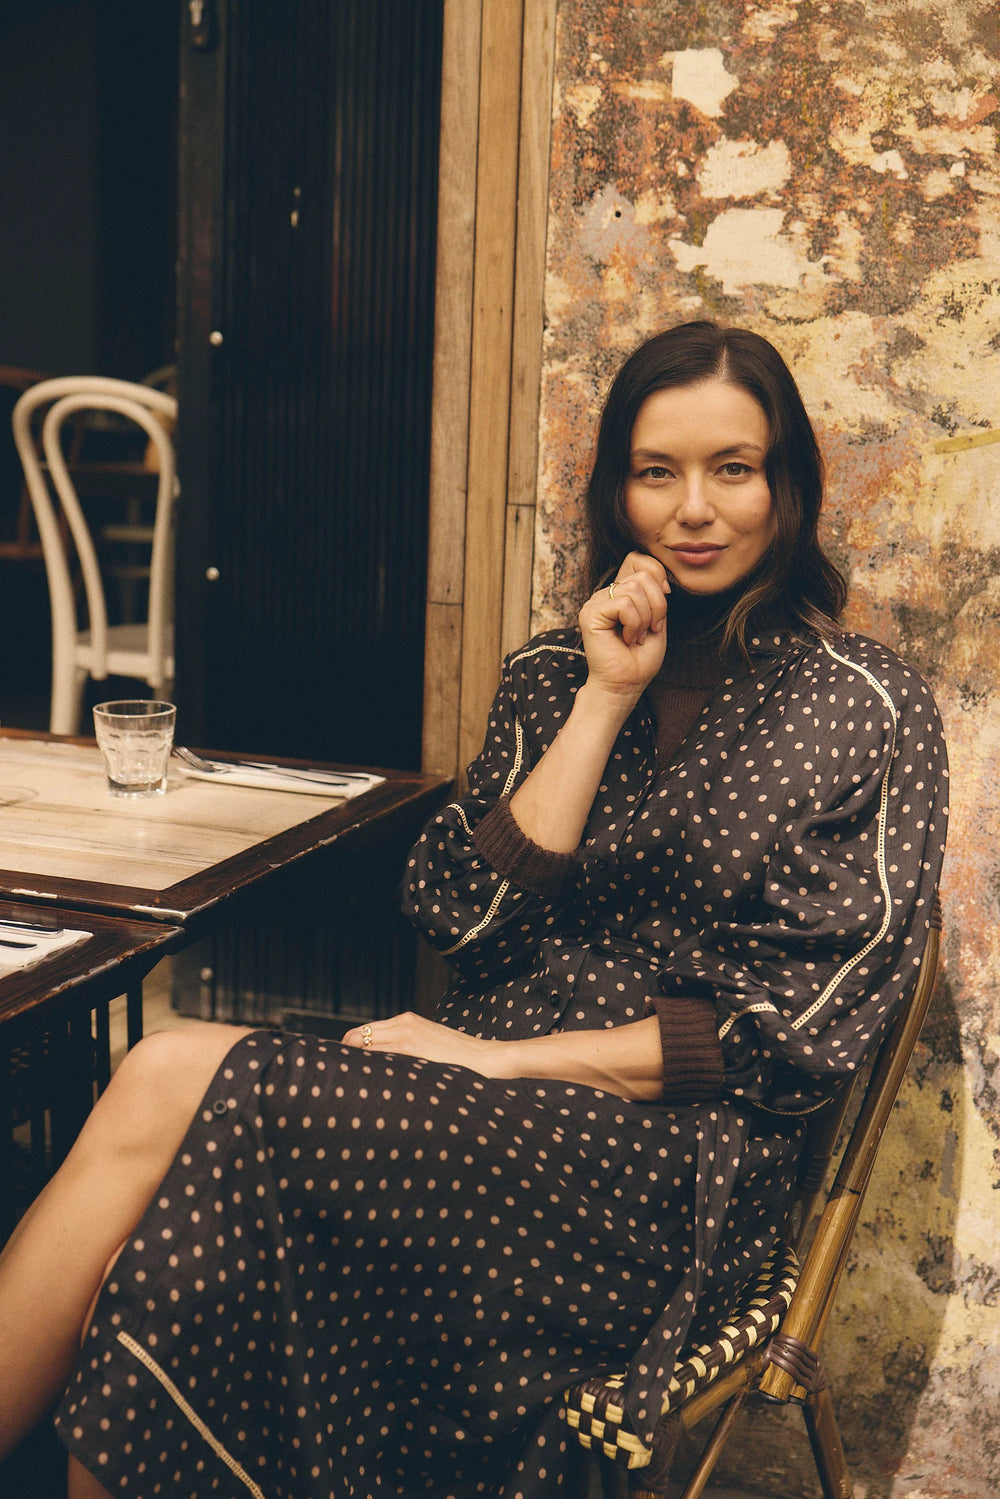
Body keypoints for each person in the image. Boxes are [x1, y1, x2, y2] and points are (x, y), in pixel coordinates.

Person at [0, 321, 947, 1498]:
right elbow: (458, 912)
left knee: (167, 1074)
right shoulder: (557, 673)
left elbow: (799, 1030)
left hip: (663, 1173)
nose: (693, 508)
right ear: (616, 491)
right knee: (179, 1214)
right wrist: (603, 701)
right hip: (466, 1108)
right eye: (657, 472)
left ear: (787, 485)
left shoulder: (865, 704)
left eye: (733, 468)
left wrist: (497, 1064)